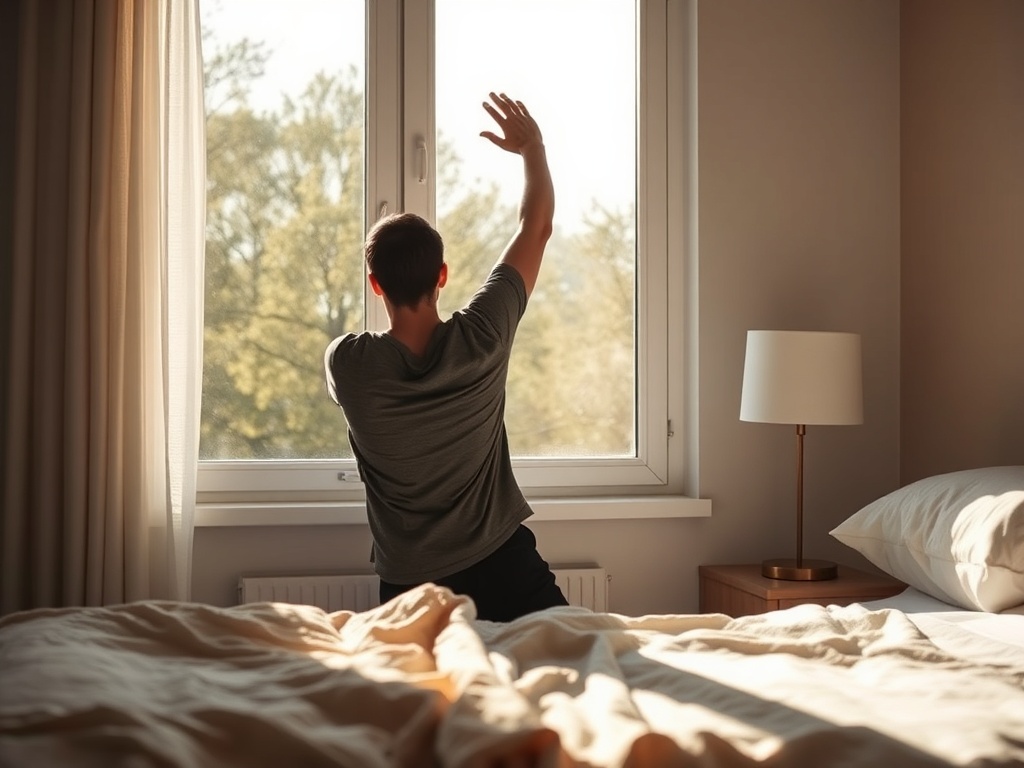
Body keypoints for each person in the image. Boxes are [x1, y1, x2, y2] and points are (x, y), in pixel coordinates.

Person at [324, 92, 567, 622]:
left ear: (374, 285)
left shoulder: (347, 364)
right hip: (505, 565)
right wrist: (533, 148)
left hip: (412, 586)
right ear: (442, 275)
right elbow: (536, 227)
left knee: (432, 701)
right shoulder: (483, 336)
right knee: (581, 667)